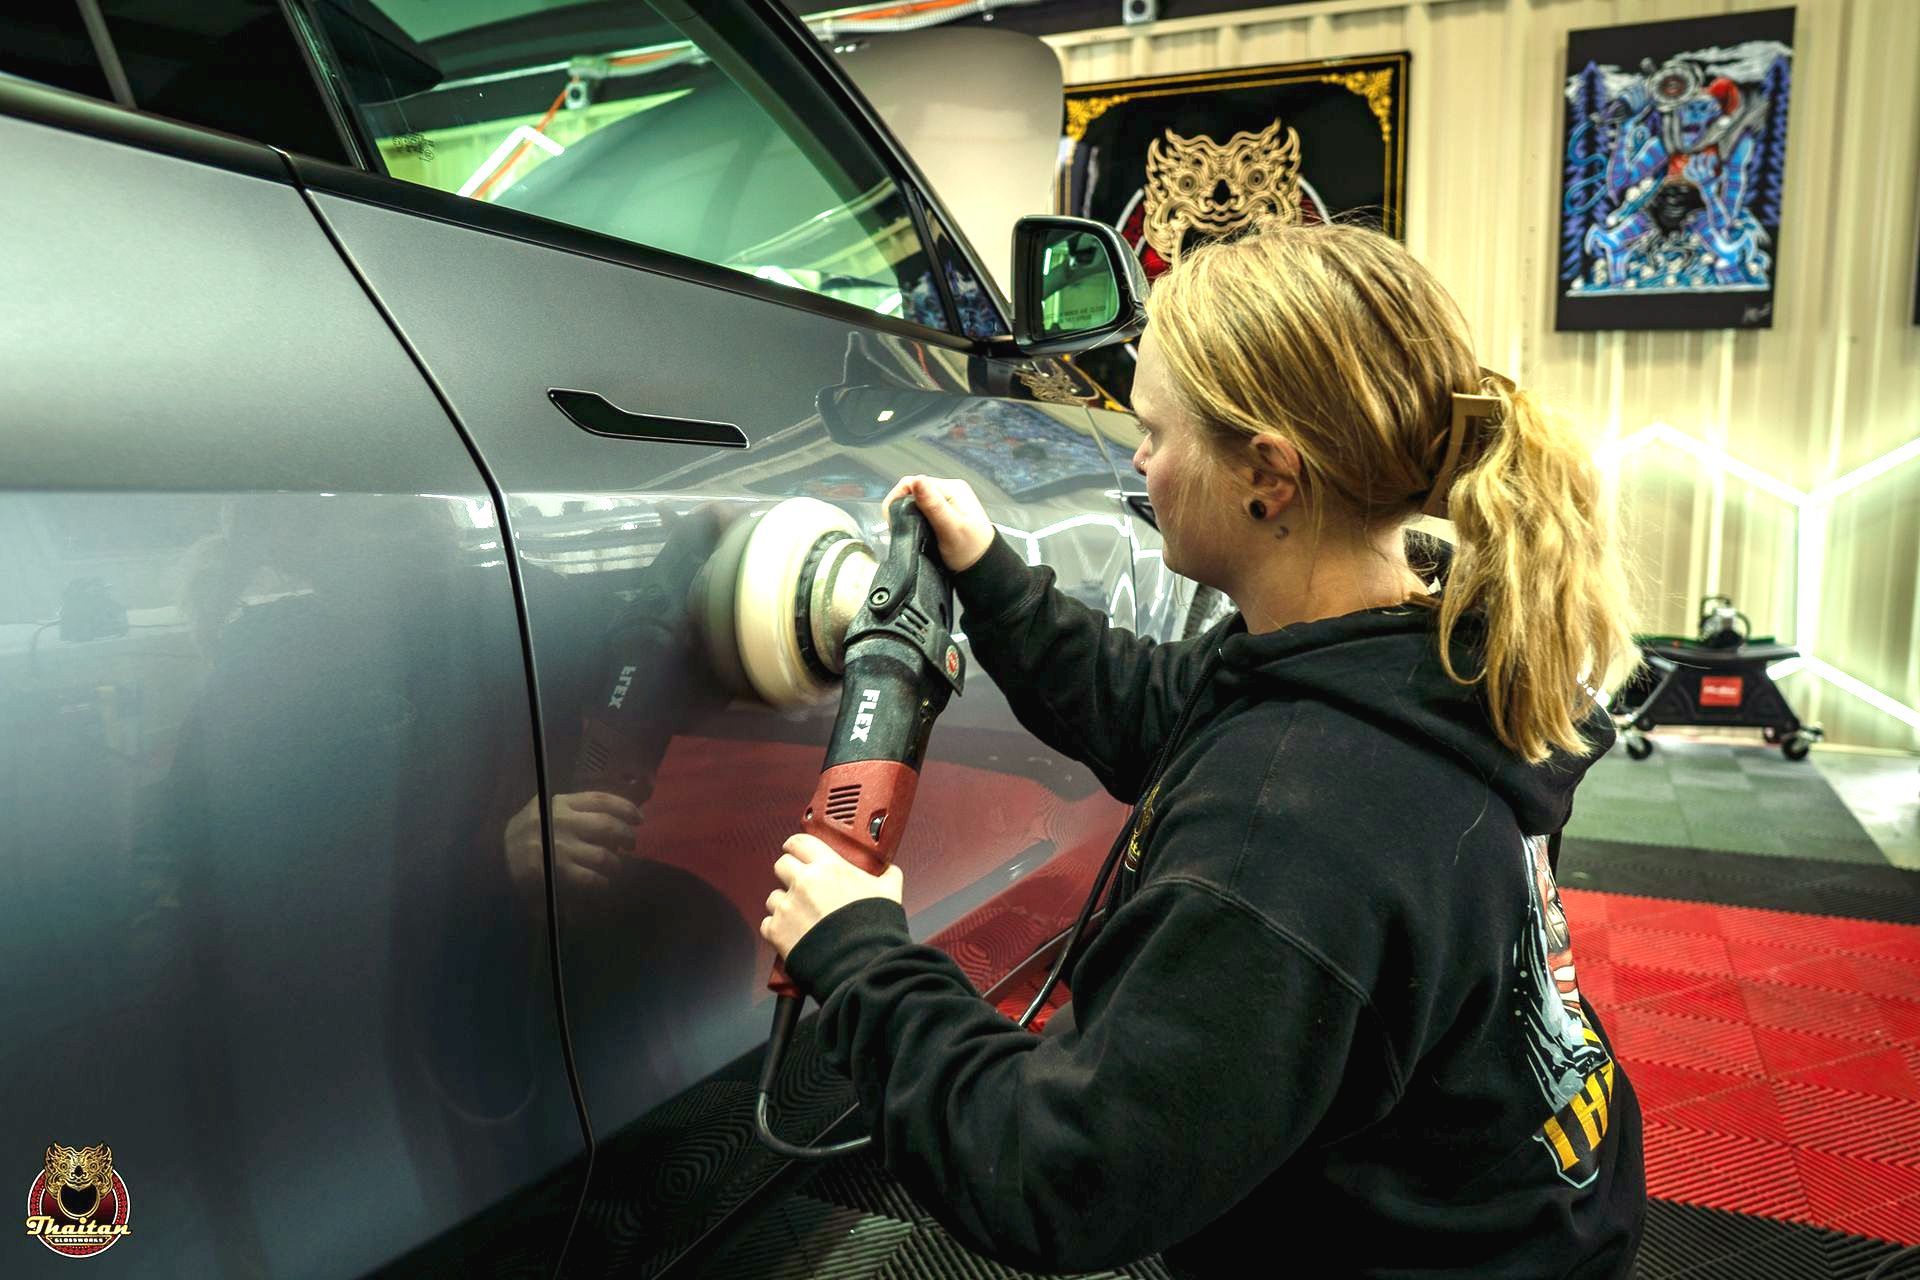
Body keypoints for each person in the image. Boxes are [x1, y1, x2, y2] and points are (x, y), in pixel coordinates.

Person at [759, 223, 1647, 1279]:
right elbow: (1160, 711)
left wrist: (860, 957)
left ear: (1268, 474)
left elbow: (1059, 1173)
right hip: (1525, 1216)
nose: (1138, 459)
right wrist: (991, 575)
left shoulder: (1283, 836)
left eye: (1155, 432)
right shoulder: (1405, 653)